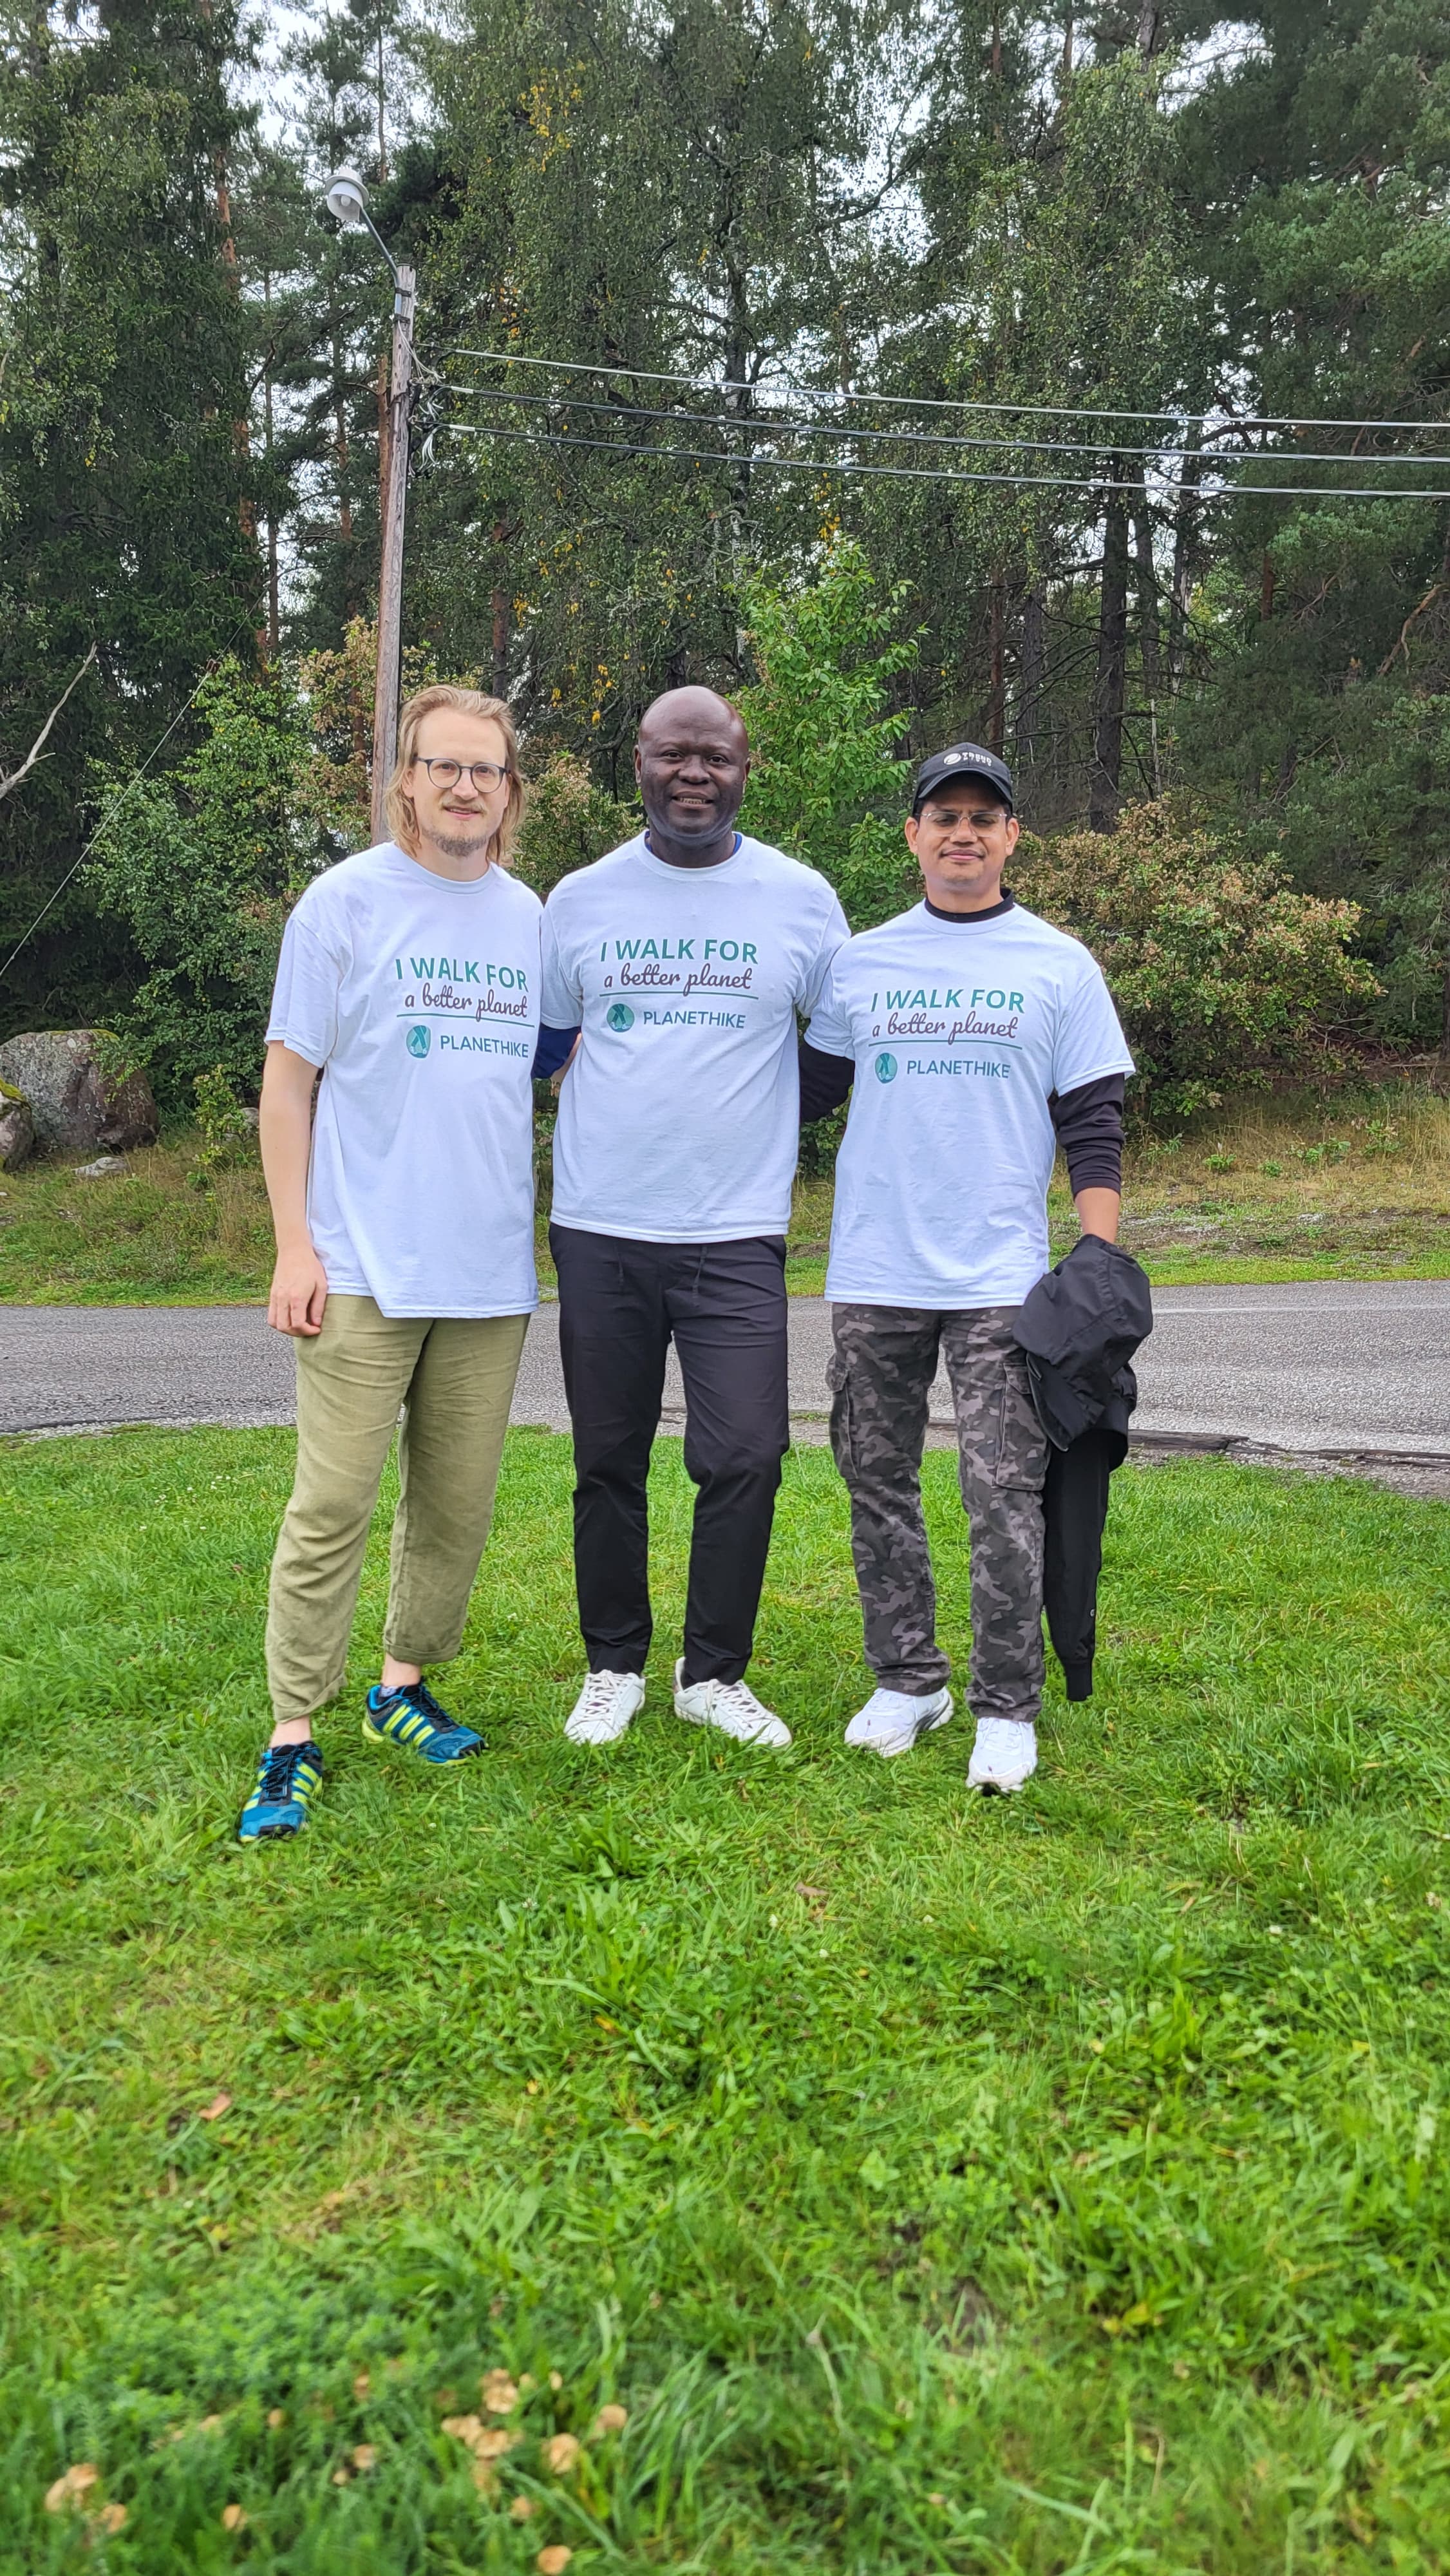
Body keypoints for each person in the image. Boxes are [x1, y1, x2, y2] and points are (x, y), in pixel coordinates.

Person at [238, 685, 542, 1842]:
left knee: (455, 1510)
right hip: (359, 1261)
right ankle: (292, 1737)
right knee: (333, 1505)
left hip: (488, 1272)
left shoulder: (531, 919)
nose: (465, 786)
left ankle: (401, 1687)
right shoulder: (343, 906)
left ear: (510, 790)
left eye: (487, 769)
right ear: (405, 778)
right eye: (443, 766)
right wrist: (293, 1243)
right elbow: (288, 1080)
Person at [798, 742, 1134, 1792]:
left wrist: (1098, 1254)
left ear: (1010, 838)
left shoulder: (1058, 963)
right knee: (876, 1478)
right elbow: (799, 1099)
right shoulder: (862, 962)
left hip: (1001, 1281)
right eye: (942, 815)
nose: (962, 833)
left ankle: (1004, 1703)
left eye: (983, 818)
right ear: (912, 836)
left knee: (1005, 1493)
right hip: (874, 1270)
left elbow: (1093, 1119)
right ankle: (909, 1679)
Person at [538, 685, 849, 1749]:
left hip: (736, 1232)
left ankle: (711, 1674)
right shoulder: (576, 900)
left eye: (713, 757)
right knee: (606, 1459)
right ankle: (613, 1666)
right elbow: (543, 1051)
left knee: (749, 1454)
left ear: (743, 767)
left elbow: (838, 1048)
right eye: (673, 754)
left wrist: (758, 1115)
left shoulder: (802, 899)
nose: (693, 775)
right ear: (639, 761)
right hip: (600, 1225)